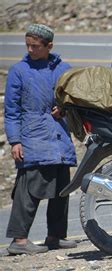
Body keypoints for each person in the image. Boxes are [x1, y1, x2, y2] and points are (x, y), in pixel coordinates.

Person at [4, 24, 77, 255]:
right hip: (32, 138)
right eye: (28, 45)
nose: (30, 49)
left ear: (49, 46)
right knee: (29, 189)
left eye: (35, 46)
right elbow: (12, 111)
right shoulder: (19, 71)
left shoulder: (63, 69)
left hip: (58, 138)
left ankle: (56, 236)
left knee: (60, 189)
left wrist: (64, 110)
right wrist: (15, 141)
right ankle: (20, 240)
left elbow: (75, 100)